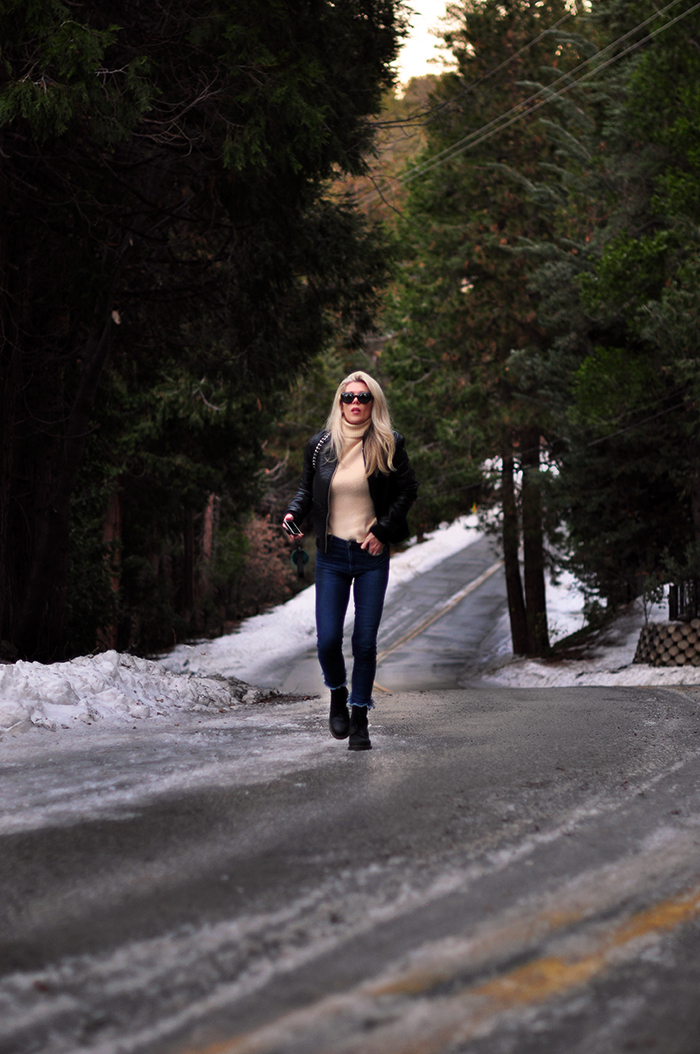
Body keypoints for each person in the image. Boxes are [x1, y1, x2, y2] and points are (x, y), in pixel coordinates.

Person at [283, 371, 418, 751]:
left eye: (362, 397)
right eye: (348, 397)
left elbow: (408, 489)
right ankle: (338, 692)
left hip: (370, 555)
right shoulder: (320, 446)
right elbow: (306, 490)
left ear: (374, 403)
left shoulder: (389, 444)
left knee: (364, 640)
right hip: (331, 556)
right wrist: (294, 513)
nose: (355, 403)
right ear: (339, 402)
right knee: (327, 641)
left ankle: (359, 717)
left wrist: (384, 531)